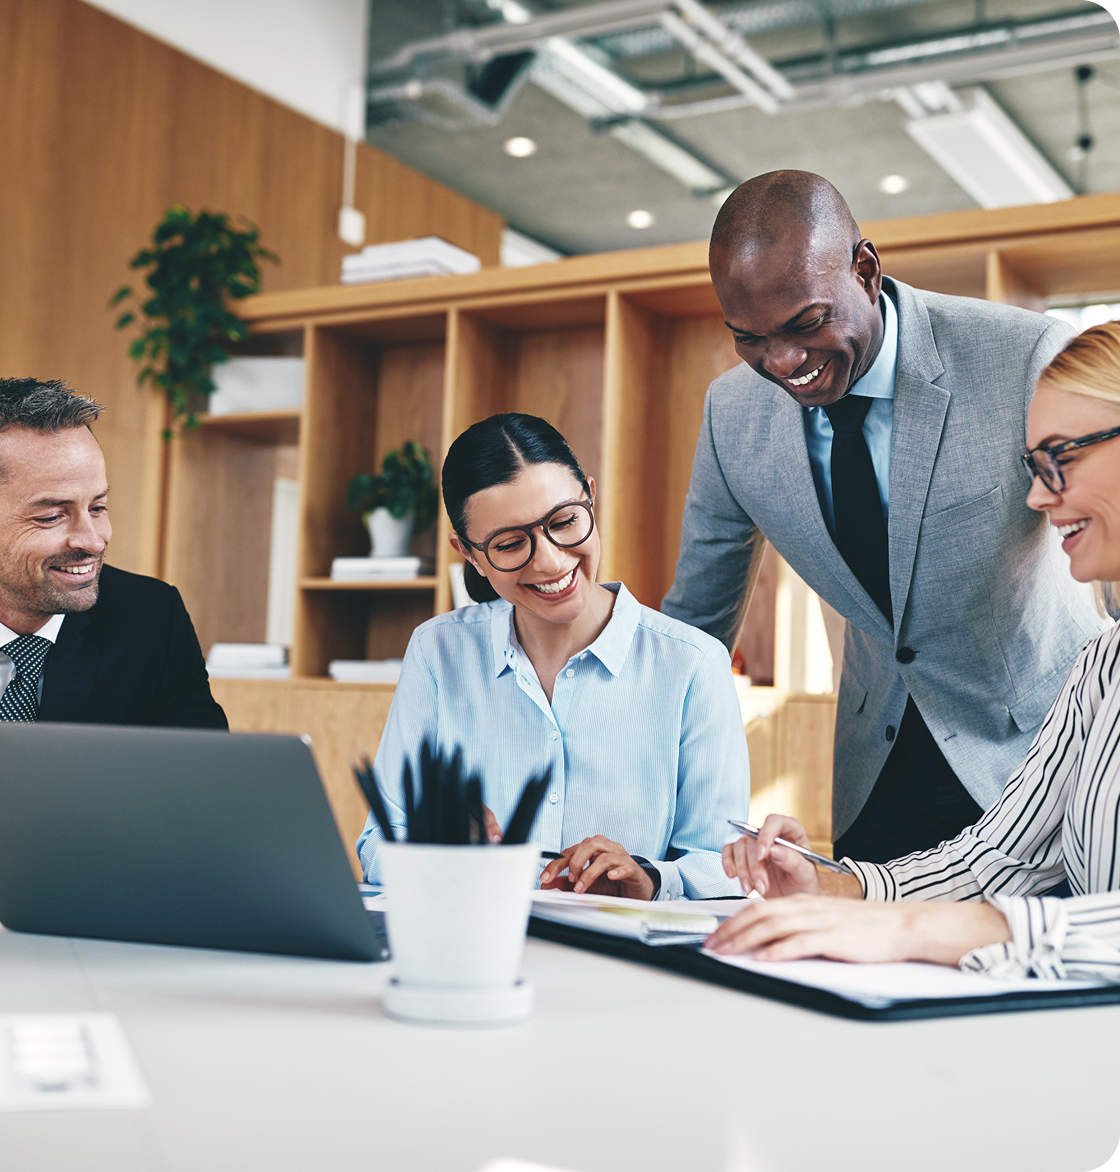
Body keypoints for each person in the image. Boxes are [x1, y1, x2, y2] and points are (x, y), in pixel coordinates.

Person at [663, 170, 1108, 864]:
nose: (783, 361)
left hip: (1043, 760)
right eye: (748, 337)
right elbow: (695, 622)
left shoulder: (1021, 356)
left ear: (866, 269)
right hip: (877, 777)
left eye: (806, 323)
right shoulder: (732, 415)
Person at [708, 321, 1120, 980]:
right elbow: (998, 857)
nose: (1038, 497)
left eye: (1060, 457)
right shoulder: (1102, 667)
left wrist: (923, 928)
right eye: (1032, 467)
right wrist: (830, 888)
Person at [357, 413, 748, 900]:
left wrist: (648, 879)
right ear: (469, 554)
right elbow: (378, 844)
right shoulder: (438, 652)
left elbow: (723, 871)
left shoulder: (693, 664)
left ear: (589, 495)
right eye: (509, 543)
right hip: (474, 943)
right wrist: (433, 851)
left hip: (622, 964)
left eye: (564, 522)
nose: (550, 561)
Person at [0, 378, 227, 886]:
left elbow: (210, 801)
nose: (92, 539)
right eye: (50, 515)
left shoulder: (150, 618)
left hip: (82, 920)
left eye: (98, 507)